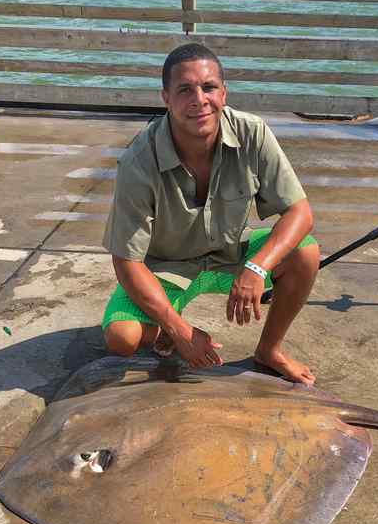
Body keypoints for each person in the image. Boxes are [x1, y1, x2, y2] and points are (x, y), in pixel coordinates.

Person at [101, 43, 320, 385]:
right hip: (165, 266)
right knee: (122, 338)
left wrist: (255, 266)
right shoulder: (138, 161)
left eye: (209, 87)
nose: (199, 100)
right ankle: (165, 327)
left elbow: (300, 212)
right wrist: (180, 329)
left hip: (229, 254)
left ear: (224, 92)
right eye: (184, 90)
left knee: (305, 251)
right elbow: (126, 261)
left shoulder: (253, 132)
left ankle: (269, 350)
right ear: (166, 98)